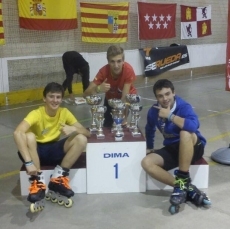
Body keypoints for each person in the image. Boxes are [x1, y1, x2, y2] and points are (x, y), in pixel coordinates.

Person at [13, 82, 90, 211]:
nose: (55, 100)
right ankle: (37, 181)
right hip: (35, 152)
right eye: (51, 96)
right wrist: (28, 162)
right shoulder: (36, 113)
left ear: (61, 99)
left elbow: (87, 132)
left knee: (81, 138)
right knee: (29, 136)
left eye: (58, 97)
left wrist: (73, 129)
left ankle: (58, 178)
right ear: (44, 98)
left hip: (53, 150)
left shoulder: (64, 112)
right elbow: (17, 132)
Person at [141, 79, 211, 214]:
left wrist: (170, 116)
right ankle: (184, 187)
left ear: (174, 92)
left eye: (167, 94)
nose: (165, 99)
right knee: (146, 162)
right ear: (156, 98)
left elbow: (193, 126)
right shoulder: (153, 111)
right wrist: (149, 147)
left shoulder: (183, 106)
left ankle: (183, 177)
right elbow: (149, 129)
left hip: (194, 146)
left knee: (185, 132)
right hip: (174, 148)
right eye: (160, 96)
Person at [83, 45, 137, 127]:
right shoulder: (103, 72)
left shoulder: (128, 70)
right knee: (107, 127)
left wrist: (123, 117)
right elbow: (85, 94)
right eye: (112, 61)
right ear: (108, 61)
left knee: (120, 125)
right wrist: (98, 88)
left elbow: (124, 97)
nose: (116, 66)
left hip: (125, 99)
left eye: (119, 61)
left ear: (123, 61)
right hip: (110, 99)